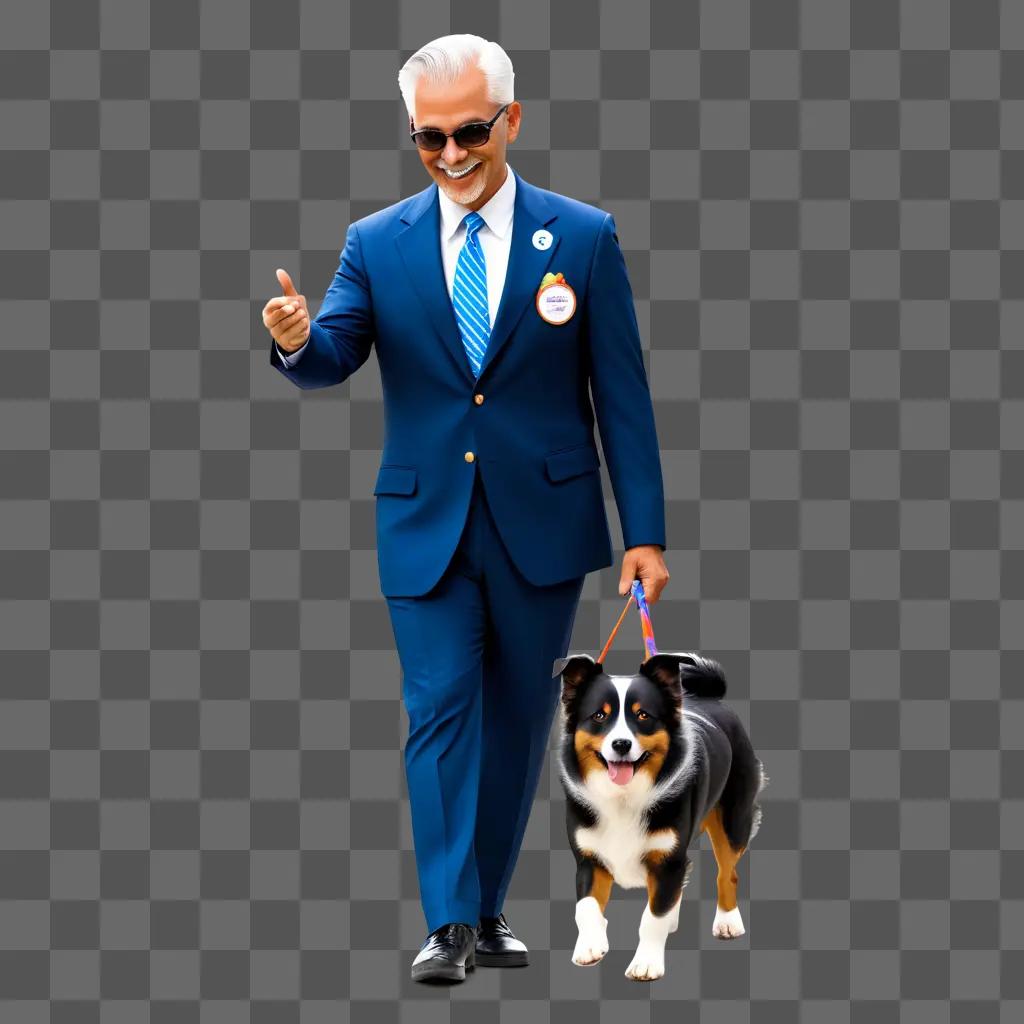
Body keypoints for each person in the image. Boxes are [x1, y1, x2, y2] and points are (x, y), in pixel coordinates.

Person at [262, 33, 669, 984]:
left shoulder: (582, 236)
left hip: (544, 523)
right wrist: (293, 340)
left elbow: (624, 395)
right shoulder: (377, 243)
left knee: (520, 716)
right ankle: (446, 923)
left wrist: (643, 533)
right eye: (429, 138)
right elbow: (333, 356)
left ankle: (487, 910)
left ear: (510, 121)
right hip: (425, 523)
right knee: (438, 707)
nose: (451, 154)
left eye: (470, 131)